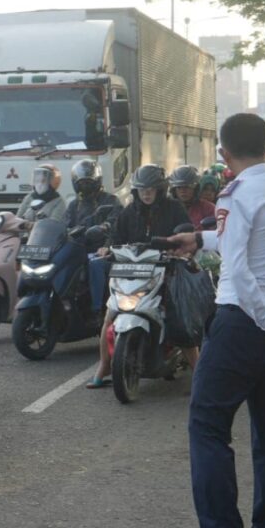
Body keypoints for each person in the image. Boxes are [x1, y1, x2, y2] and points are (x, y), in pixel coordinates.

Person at [167, 113, 265, 528]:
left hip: (247, 324)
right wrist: (200, 238)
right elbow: (255, 239)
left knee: (208, 427)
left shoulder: (235, 194)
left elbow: (241, 269)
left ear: (224, 155)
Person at [87, 164, 194, 388]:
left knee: (178, 318)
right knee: (110, 314)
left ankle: (200, 372)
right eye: (142, 189)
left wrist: (177, 249)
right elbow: (116, 235)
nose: (146, 193)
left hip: (167, 272)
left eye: (151, 189)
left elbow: (187, 235)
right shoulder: (129, 211)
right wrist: (108, 247)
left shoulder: (174, 209)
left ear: (160, 190)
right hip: (131, 272)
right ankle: (105, 365)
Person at [65, 160, 123, 320]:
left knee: (94, 264)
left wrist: (105, 237)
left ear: (97, 181)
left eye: (88, 183)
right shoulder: (73, 205)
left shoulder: (110, 201)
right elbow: (65, 226)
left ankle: (96, 310)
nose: (85, 187)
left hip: (102, 250)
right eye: (81, 183)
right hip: (77, 249)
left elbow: (116, 225)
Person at [170, 165, 217, 230]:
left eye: (187, 186)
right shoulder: (167, 209)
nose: (183, 191)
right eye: (179, 187)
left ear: (196, 188)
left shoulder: (208, 208)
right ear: (174, 190)